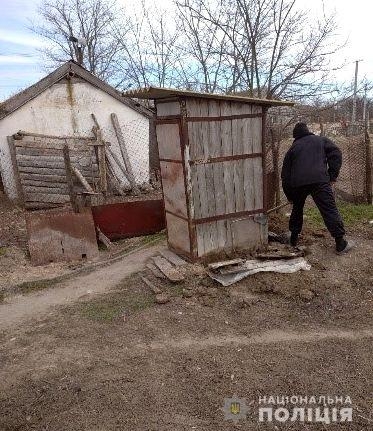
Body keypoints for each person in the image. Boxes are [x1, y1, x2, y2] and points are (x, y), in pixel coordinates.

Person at [281, 122, 354, 254]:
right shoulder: (321, 140)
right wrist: (332, 176)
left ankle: (293, 239)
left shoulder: (293, 148)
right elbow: (336, 153)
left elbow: (285, 175)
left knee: (297, 209)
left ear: (295, 136)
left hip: (298, 184)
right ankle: (340, 243)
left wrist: (290, 196)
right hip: (319, 181)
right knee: (329, 209)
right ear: (308, 131)